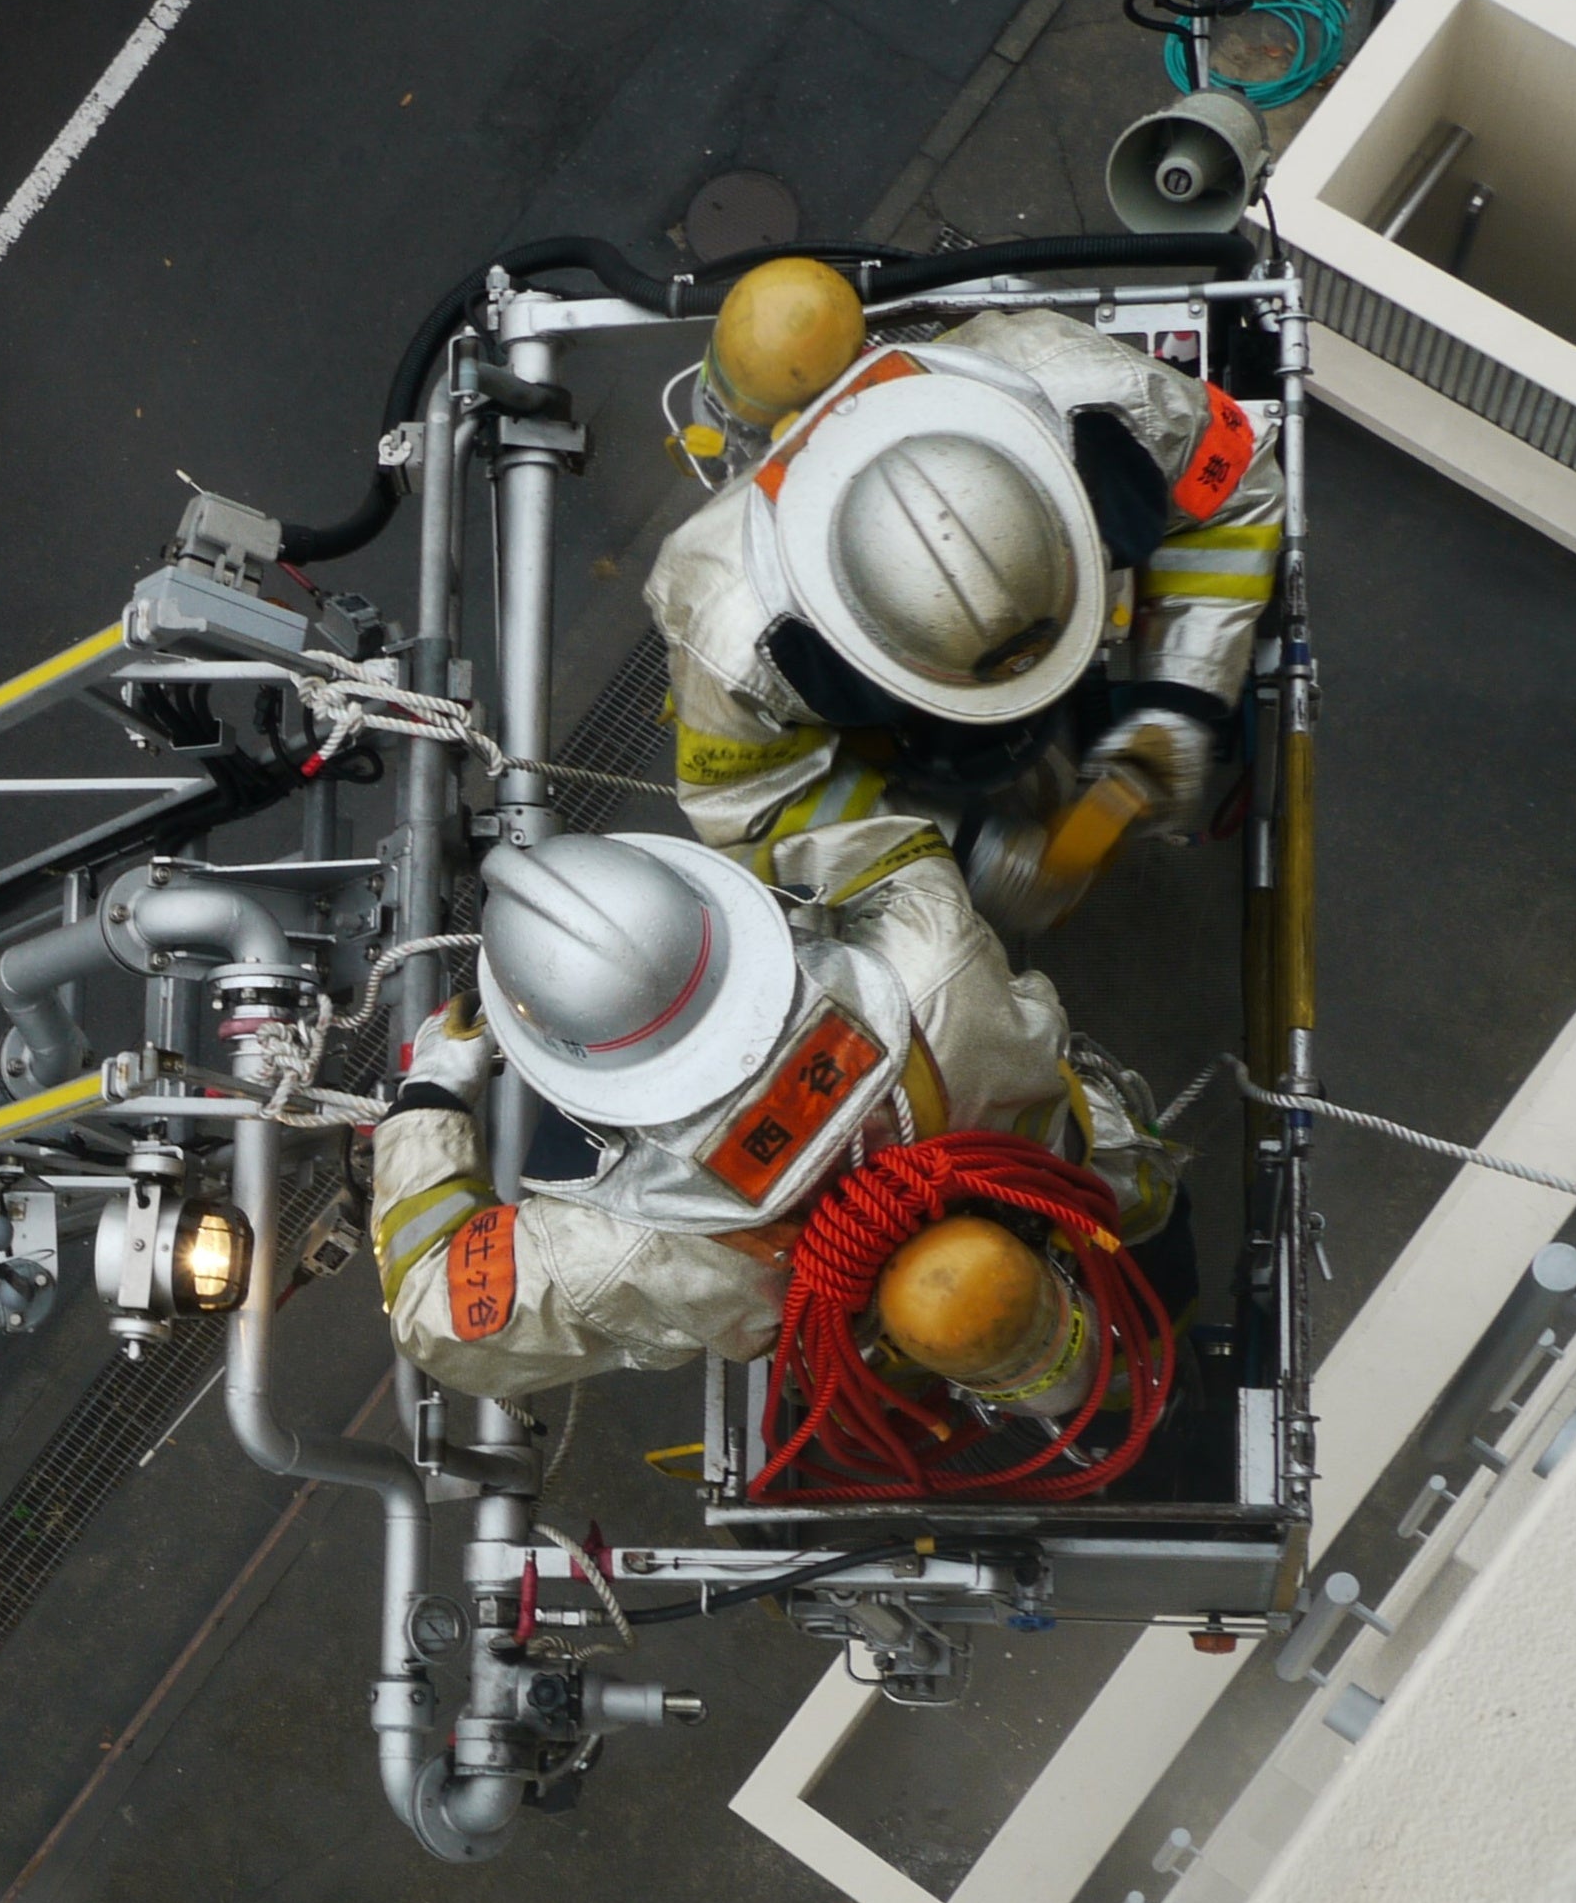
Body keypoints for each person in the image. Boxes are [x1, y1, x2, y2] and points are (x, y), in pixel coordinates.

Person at [370, 828, 1175, 1401]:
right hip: (1086, 1175)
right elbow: (864, 831)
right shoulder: (932, 959)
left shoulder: (640, 1249)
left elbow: (437, 1313)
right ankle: (1143, 1209)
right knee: (1126, 1184)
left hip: (900, 1354)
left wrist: (434, 1100)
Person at [645, 275, 1285, 934]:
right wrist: (958, 848)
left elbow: (1236, 483)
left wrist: (1184, 695)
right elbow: (756, 805)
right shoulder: (732, 625)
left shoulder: (1085, 393)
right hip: (904, 749)